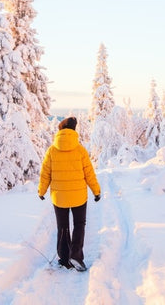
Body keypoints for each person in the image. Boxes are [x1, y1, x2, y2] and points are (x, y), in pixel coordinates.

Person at [38, 116, 101, 271]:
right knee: (79, 225)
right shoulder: (80, 150)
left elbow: (45, 173)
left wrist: (42, 190)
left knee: (63, 227)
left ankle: (64, 258)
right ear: (74, 131)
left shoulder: (52, 150)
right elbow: (89, 173)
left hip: (59, 197)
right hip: (79, 196)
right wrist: (96, 191)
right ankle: (76, 256)